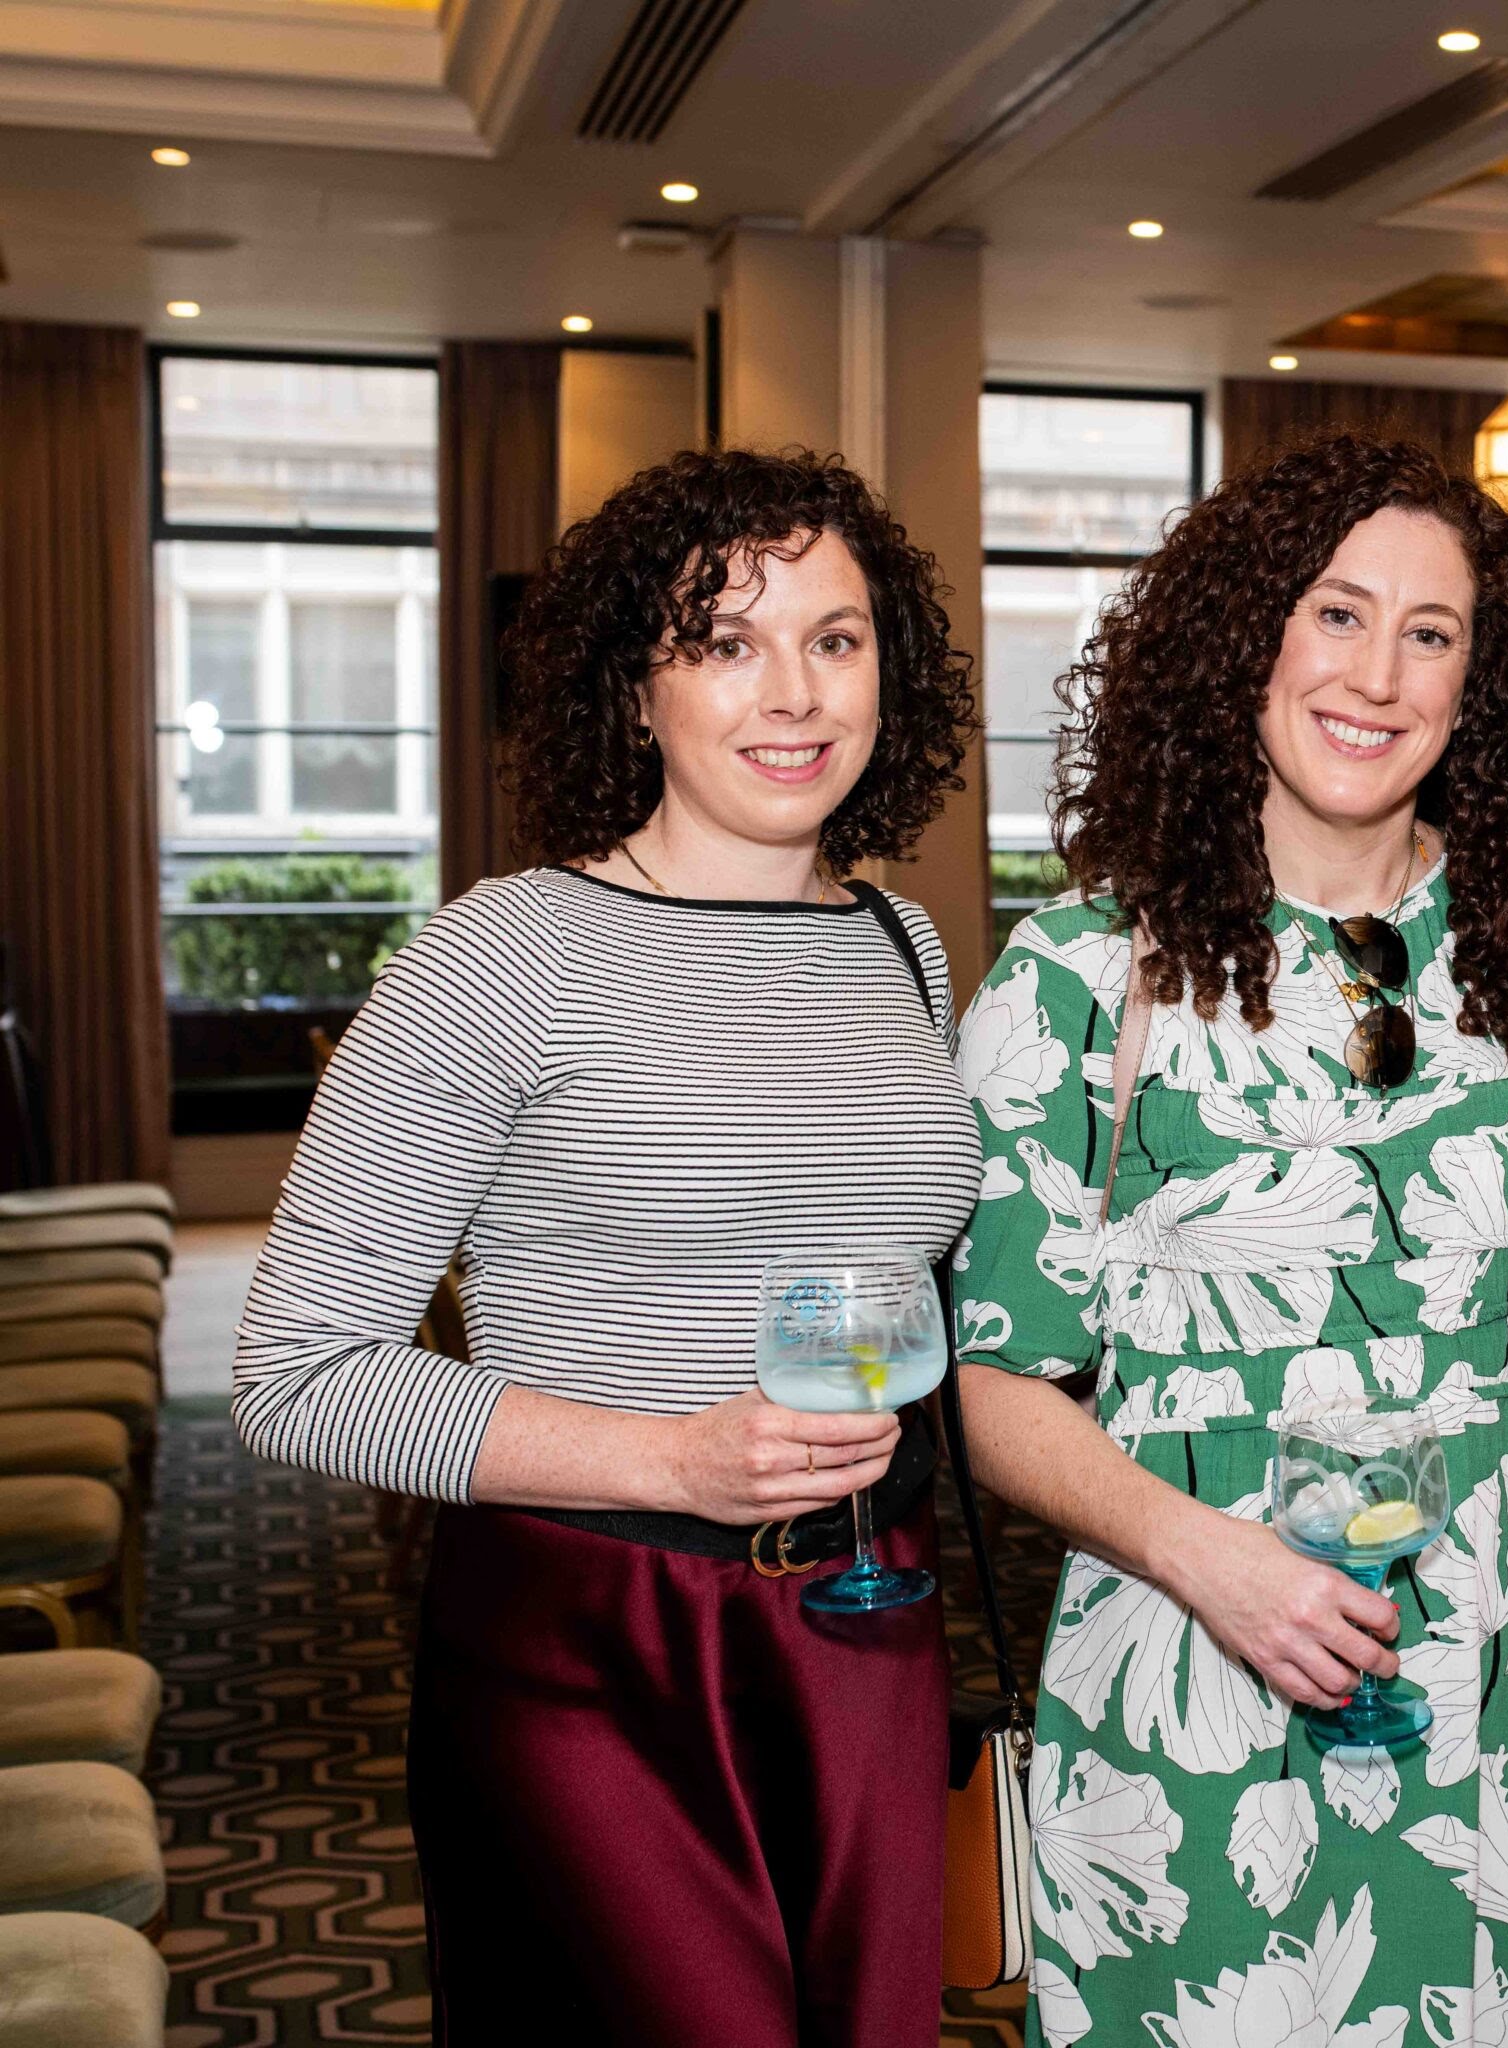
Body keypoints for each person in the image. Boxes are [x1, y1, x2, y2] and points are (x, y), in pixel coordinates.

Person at [232, 447, 981, 2048]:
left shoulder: (899, 945)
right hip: (600, 1641)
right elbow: (299, 1375)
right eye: (726, 643)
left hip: (870, 1616)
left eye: (834, 639)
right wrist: (672, 1461)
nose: (794, 693)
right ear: (636, 690)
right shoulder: (505, 951)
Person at [953, 434, 1508, 2046]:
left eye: (1429, 632)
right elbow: (989, 1382)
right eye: (1336, 614)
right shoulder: (1078, 977)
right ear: (1242, 639)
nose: (1376, 675)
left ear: (1480, 683)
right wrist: (1211, 1557)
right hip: (1195, 1655)